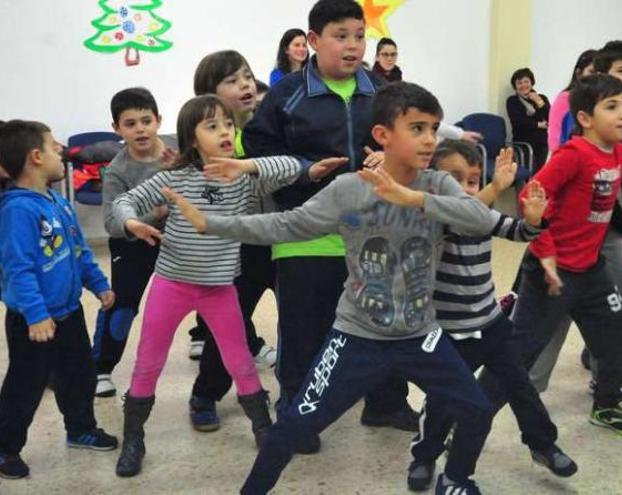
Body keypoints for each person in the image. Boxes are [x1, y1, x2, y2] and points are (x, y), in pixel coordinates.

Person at [168, 81, 499, 495]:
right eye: (417, 128)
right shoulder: (350, 189)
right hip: (357, 337)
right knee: (292, 426)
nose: (430, 139)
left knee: (477, 408)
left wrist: (411, 198)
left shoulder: (437, 185)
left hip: (421, 335)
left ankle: (454, 480)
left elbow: (479, 219)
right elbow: (286, 224)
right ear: (382, 135)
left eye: (433, 127)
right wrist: (211, 223)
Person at [110, 95, 345, 477]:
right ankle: (134, 437)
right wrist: (130, 222)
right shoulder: (174, 177)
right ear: (190, 136)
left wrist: (246, 165)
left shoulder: (242, 180)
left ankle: (263, 428)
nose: (224, 132)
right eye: (212, 126)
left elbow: (288, 166)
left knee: (240, 361)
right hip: (172, 284)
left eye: (228, 125)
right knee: (148, 363)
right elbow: (126, 200)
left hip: (219, 287)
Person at [243, 0, 417, 443]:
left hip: (373, 231)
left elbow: (411, 143)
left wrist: (391, 157)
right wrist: (303, 170)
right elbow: (258, 154)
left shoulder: (381, 93)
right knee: (305, 332)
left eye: (360, 35)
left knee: (383, 322)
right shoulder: (286, 95)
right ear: (314, 41)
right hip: (307, 233)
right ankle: (299, 414)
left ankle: (386, 403)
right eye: (341, 36)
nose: (353, 45)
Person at [480, 71, 622, 441]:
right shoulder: (574, 154)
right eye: (612, 107)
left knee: (618, 336)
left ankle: (606, 404)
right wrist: (544, 250)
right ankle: (469, 416)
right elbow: (531, 197)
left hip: (591, 271)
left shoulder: (618, 151)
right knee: (519, 354)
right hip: (550, 271)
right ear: (586, 119)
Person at [406, 141, 577, 491]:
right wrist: (495, 188)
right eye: (454, 179)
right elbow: (456, 215)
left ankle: (542, 443)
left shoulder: (482, 218)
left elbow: (518, 232)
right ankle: (424, 455)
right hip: (449, 334)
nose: (466, 189)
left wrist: (533, 219)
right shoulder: (429, 218)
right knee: (444, 403)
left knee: (520, 387)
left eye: (472, 180)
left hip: (491, 325)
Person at [0, 120, 119, 480]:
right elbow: (18, 270)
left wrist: (98, 284)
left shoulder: (57, 202)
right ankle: (5, 448)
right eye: (55, 147)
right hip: (33, 322)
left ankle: (80, 427)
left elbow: (79, 249)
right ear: (36, 157)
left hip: (69, 313)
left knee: (79, 375)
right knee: (26, 386)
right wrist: (36, 315)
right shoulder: (17, 211)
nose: (62, 152)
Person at [187, 49, 281, 433]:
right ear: (209, 95)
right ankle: (205, 394)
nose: (244, 85)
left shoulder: (271, 127)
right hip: (237, 248)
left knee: (300, 317)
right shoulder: (210, 141)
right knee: (228, 325)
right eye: (232, 80)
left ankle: (300, 390)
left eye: (247, 76)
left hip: (281, 236)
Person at [91, 87, 176, 398]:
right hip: (134, 245)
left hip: (180, 240)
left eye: (146, 120)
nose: (140, 129)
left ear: (158, 120)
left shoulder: (178, 149)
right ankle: (100, 367)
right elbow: (112, 223)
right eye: (130, 123)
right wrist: (153, 214)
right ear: (117, 129)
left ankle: (203, 338)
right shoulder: (117, 171)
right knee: (123, 305)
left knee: (210, 292)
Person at [548, 49, 596, 154]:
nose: (596, 77)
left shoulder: (601, 101)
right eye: (592, 72)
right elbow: (555, 142)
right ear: (579, 73)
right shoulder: (565, 99)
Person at [506, 67, 550, 169]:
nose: (523, 85)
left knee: (539, 174)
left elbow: (550, 118)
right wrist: (538, 124)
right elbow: (517, 122)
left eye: (526, 81)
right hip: (523, 142)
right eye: (519, 83)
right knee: (528, 173)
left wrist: (539, 102)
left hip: (542, 143)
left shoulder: (542, 98)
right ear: (515, 86)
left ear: (531, 82)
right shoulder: (512, 101)